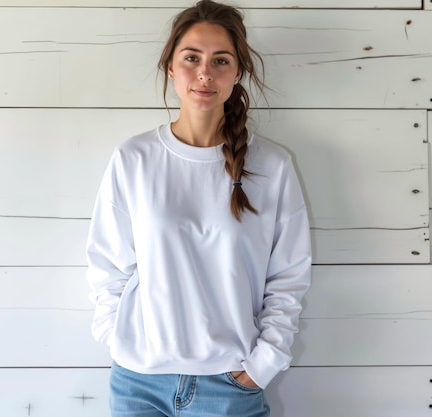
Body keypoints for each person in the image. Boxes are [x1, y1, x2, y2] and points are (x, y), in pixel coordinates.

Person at [86, 1, 312, 416]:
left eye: (220, 60)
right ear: (171, 67)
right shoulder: (133, 158)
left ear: (237, 71)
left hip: (229, 384)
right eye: (191, 58)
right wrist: (114, 339)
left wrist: (261, 367)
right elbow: (108, 265)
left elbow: (288, 277)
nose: (205, 73)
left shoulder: (272, 166)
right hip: (139, 382)